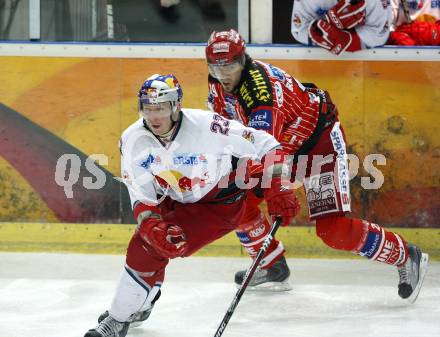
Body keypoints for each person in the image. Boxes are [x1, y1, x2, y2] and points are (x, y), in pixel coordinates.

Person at [205, 28, 429, 301]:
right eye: (216, 67)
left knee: (332, 230)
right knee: (233, 199)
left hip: (318, 143)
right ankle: (271, 264)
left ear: (244, 60)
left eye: (230, 65)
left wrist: (276, 190)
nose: (224, 74)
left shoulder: (259, 92)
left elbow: (265, 146)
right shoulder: (216, 83)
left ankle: (405, 255)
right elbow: (230, 133)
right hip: (283, 147)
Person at [83, 73, 300, 337]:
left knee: (150, 248)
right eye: (148, 109)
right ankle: (135, 305)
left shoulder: (208, 126)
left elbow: (265, 143)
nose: (153, 117)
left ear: (175, 106)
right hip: (171, 196)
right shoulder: (132, 138)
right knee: (151, 240)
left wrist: (279, 184)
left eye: (160, 108)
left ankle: (119, 318)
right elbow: (141, 191)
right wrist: (150, 223)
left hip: (217, 204)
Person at [291, 0, 392, 55]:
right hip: (322, 64)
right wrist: (315, 33)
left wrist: (347, 40)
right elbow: (299, 30)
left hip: (368, 64)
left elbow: (379, 34)